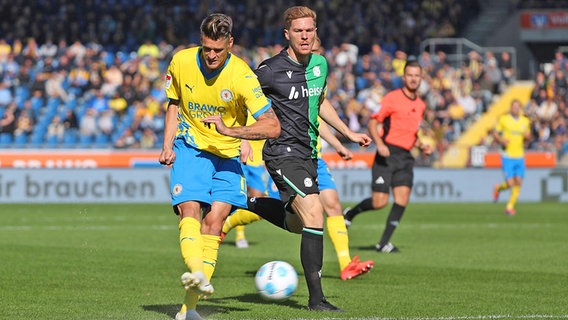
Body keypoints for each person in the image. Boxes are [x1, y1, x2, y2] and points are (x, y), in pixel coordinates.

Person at [245, 6, 372, 312]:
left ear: (315, 32)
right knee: (315, 214)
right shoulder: (268, 70)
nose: (304, 36)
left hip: (309, 153)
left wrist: (346, 134)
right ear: (286, 34)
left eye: (309, 30)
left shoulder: (319, 64)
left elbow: (320, 102)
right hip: (281, 153)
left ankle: (247, 203)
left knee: (298, 224)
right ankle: (317, 300)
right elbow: (243, 99)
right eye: (298, 31)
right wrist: (240, 137)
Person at [158, 13, 280, 320]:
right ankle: (198, 273)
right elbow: (174, 104)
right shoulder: (181, 62)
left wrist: (233, 132)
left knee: (214, 223)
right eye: (207, 48)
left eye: (218, 50)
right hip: (191, 147)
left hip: (227, 155)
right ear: (201, 41)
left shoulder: (242, 76)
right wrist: (167, 144)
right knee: (189, 210)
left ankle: (189, 309)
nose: (211, 55)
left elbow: (272, 125)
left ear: (230, 44)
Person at [222, 36, 374, 281]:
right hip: (288, 153)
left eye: (316, 47)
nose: (312, 51)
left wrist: (341, 140)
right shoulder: (275, 72)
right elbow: (246, 98)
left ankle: (346, 264)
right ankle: (236, 210)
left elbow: (316, 112)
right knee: (305, 215)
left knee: (328, 206)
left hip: (315, 154)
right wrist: (244, 138)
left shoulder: (317, 69)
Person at [343, 60, 433, 253]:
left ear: (421, 78)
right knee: (380, 202)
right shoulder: (392, 98)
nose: (413, 79)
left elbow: (411, 133)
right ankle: (350, 212)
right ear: (404, 77)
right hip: (387, 154)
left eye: (417, 75)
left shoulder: (420, 105)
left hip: (405, 157)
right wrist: (381, 144)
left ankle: (383, 243)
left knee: (402, 199)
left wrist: (421, 145)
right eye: (410, 75)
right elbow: (373, 123)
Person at [492, 99, 531, 215]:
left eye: (518, 107)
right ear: (511, 108)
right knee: (510, 183)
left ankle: (509, 207)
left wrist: (527, 136)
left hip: (520, 155)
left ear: (520, 108)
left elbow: (528, 136)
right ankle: (498, 188)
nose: (516, 109)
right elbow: (495, 133)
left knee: (518, 181)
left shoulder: (525, 121)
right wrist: (501, 140)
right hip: (507, 155)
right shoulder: (504, 119)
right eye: (514, 107)